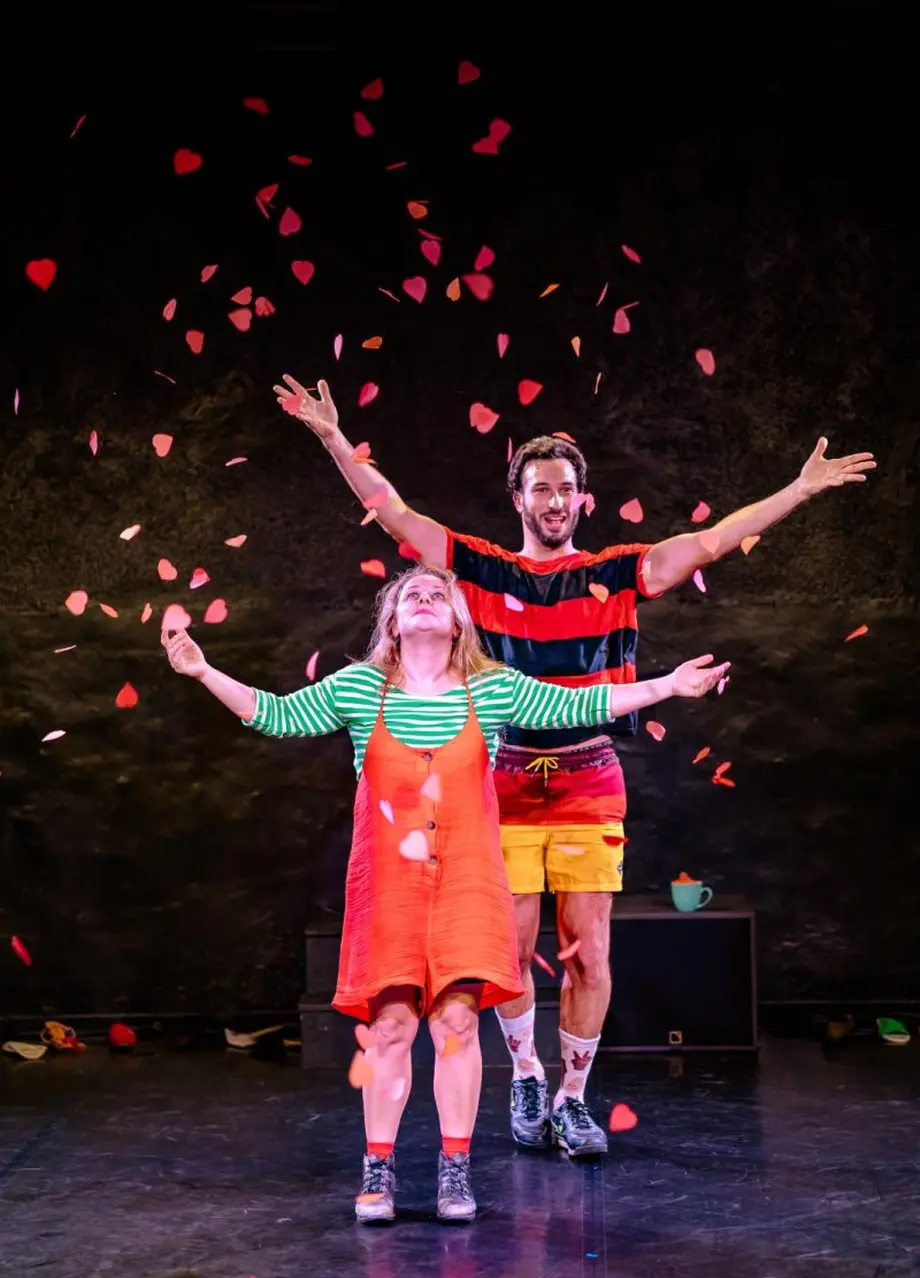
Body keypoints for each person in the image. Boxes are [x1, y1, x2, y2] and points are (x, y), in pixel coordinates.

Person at [274, 375, 875, 1156]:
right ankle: (527, 1074)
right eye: (540, 489)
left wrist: (798, 489)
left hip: (590, 778)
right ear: (518, 499)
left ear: (582, 499)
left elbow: (714, 541)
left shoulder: (622, 572)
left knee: (589, 950)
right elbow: (393, 512)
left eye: (565, 489)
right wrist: (332, 436)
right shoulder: (482, 570)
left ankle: (571, 1098)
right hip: (503, 782)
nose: (554, 501)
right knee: (510, 949)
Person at [163, 566, 728, 1219]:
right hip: (391, 889)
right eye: (413, 595)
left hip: (465, 883)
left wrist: (667, 686)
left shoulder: (492, 688)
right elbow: (277, 715)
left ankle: (455, 1170)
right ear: (393, 622)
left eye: (439, 595)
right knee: (391, 1027)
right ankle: (378, 1170)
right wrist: (203, 672)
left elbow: (580, 705)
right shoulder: (361, 687)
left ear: (458, 622)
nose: (426, 600)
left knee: (458, 1023)